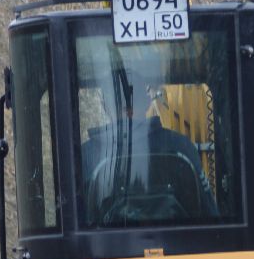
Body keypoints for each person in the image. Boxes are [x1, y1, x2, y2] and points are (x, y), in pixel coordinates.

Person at [79, 84, 219, 223]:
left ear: (104, 105)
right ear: (147, 102)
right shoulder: (182, 147)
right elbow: (210, 215)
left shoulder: (84, 156)